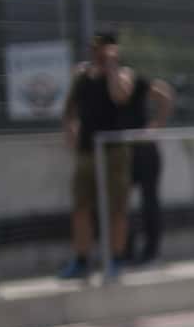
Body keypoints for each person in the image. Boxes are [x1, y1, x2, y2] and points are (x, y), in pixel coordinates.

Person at [58, 29, 135, 280]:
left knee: (117, 209)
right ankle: (81, 259)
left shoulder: (123, 74)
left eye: (104, 49)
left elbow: (120, 96)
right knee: (81, 207)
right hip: (86, 151)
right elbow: (68, 109)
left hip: (114, 151)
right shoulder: (81, 75)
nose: (98, 54)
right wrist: (70, 132)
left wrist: (112, 67)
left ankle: (116, 258)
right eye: (95, 49)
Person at [121, 71, 176, 265]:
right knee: (120, 204)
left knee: (149, 201)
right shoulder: (104, 85)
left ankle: (151, 252)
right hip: (119, 151)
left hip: (144, 149)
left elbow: (164, 94)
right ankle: (125, 251)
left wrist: (156, 127)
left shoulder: (137, 82)